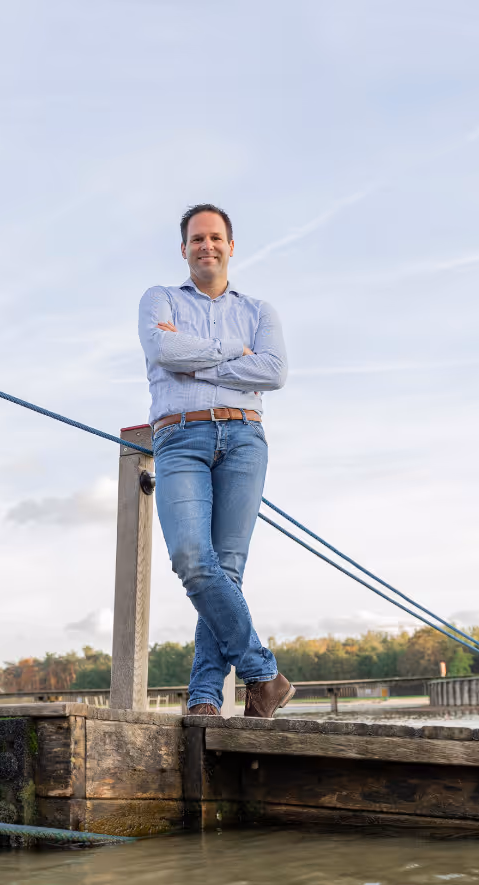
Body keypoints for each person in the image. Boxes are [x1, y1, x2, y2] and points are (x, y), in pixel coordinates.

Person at [138, 204, 293, 717]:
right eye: (197, 239)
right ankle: (264, 674)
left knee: (227, 568)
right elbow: (165, 352)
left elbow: (272, 372)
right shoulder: (158, 298)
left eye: (216, 238)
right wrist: (235, 356)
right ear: (184, 249)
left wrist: (199, 363)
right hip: (180, 438)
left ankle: (204, 698)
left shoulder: (259, 311)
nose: (207, 246)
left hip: (245, 437)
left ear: (231, 246)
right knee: (191, 558)